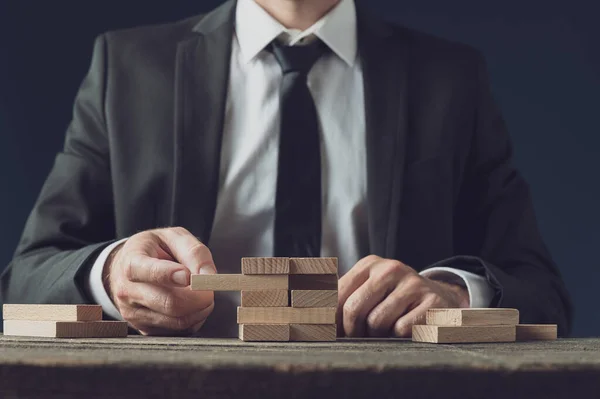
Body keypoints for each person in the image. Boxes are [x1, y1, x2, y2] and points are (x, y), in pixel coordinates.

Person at [0, 0, 572, 337]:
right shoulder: (128, 67)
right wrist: (111, 273)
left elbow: (539, 288)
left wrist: (452, 293)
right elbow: (27, 275)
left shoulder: (450, 78)